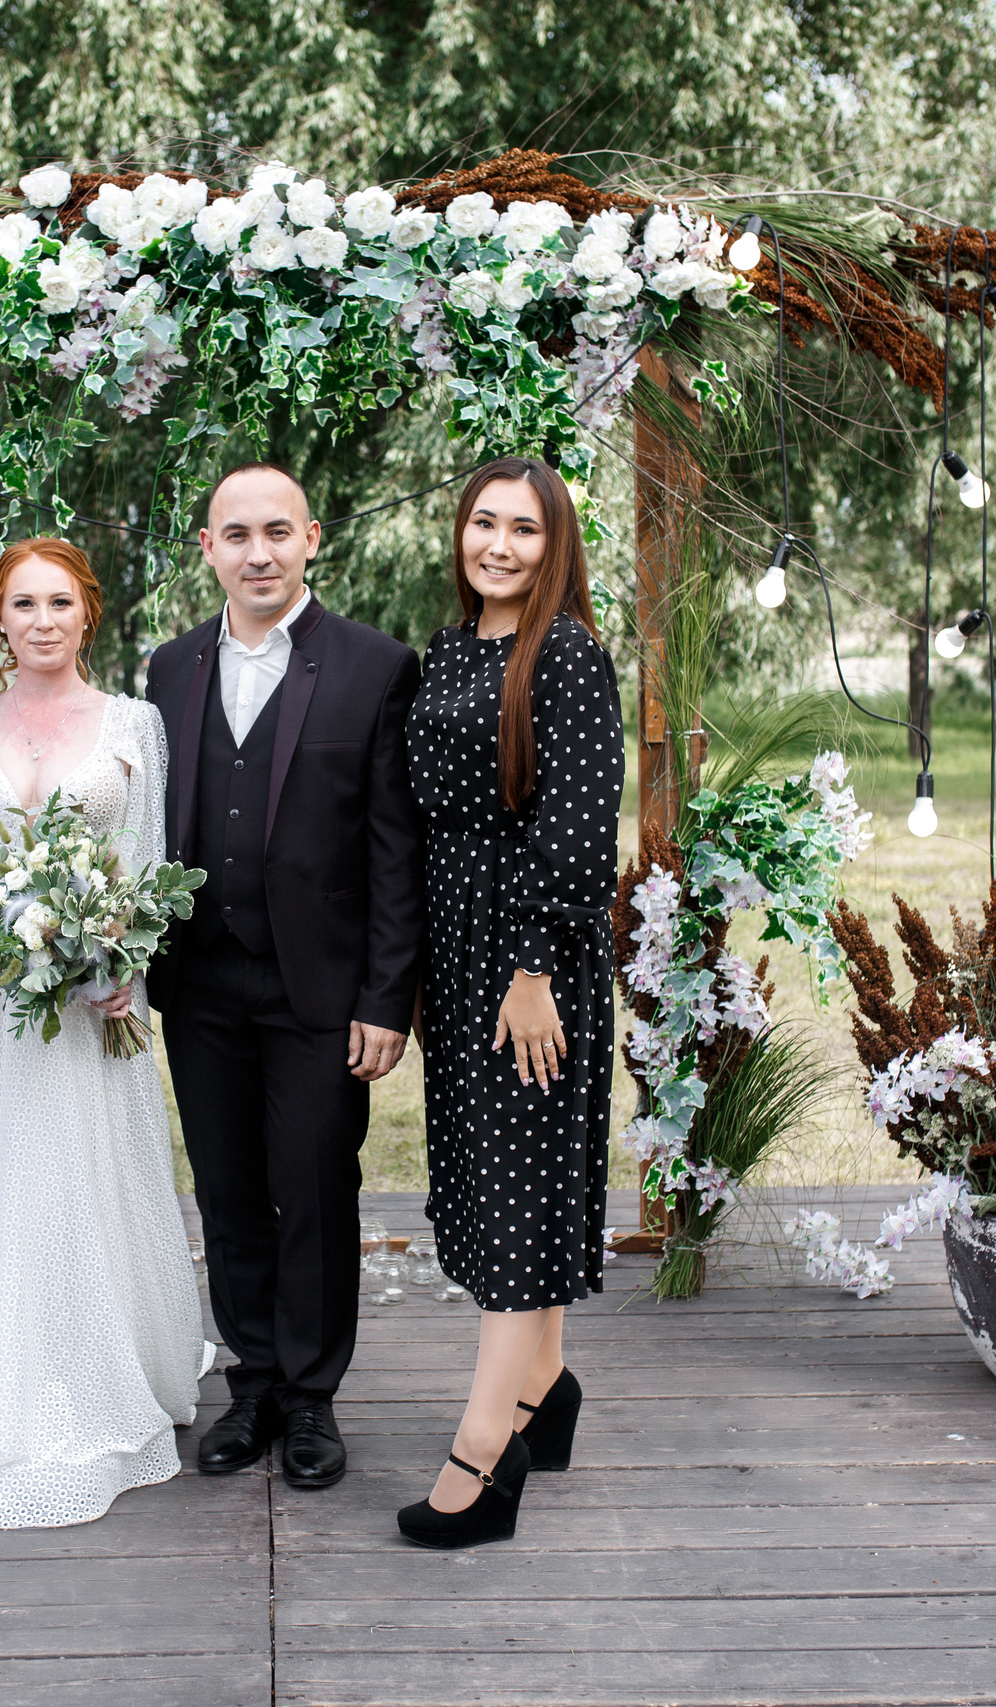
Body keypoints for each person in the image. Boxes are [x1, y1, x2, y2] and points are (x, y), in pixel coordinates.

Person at [0, 538, 212, 1528]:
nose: (41, 620)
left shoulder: (134, 723)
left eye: (59, 603)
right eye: (22, 603)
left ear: (88, 615)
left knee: (78, 1181)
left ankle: (96, 1361)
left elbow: (147, 858)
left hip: (88, 1007)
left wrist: (118, 968)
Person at [143, 462, 424, 1490]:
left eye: (276, 532)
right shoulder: (166, 669)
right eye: (235, 534)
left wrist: (385, 999)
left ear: (312, 539)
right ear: (208, 548)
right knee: (226, 1192)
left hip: (320, 989)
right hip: (200, 984)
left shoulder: (374, 666)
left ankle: (311, 1398)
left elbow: (397, 852)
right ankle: (251, 1384)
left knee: (311, 1189)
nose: (256, 552)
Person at [396, 457, 623, 1549]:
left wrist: (530, 970)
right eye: (482, 522)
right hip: (456, 942)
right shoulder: (450, 649)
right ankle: (547, 1384)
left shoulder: (568, 657)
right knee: (493, 1179)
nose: (497, 545)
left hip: (529, 952)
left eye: (523, 530)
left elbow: (578, 828)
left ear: (554, 545)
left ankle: (486, 1452)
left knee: (516, 1184)